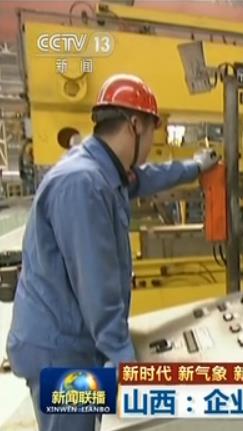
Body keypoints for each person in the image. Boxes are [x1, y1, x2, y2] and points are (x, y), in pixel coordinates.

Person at [6, 74, 219, 431]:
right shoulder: (83, 184)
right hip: (60, 353)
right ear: (135, 125)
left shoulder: (103, 171)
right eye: (152, 134)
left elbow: (147, 178)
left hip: (72, 341)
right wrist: (124, 361)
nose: (151, 145)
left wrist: (195, 167)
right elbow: (97, 286)